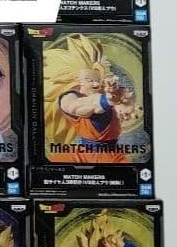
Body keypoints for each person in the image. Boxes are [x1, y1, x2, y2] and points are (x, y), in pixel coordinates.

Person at [43, 33, 140, 163]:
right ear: (78, 80)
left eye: (98, 80)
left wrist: (125, 104)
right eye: (90, 80)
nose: (96, 83)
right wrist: (107, 100)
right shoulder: (68, 97)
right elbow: (79, 106)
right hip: (81, 157)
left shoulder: (109, 91)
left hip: (113, 157)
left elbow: (125, 105)